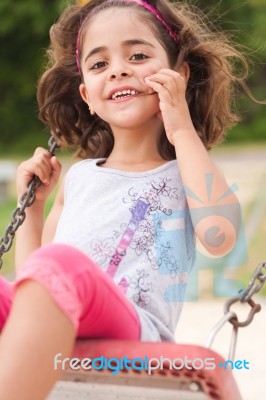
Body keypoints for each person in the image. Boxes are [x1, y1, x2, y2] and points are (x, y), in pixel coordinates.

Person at [0, 0, 251, 398]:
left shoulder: (186, 171)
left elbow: (220, 237)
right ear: (86, 94)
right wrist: (30, 212)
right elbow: (38, 283)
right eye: (99, 64)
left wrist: (182, 128)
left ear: (178, 75)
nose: (118, 69)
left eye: (137, 55)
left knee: (63, 264)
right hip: (65, 322)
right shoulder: (79, 179)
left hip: (137, 332)